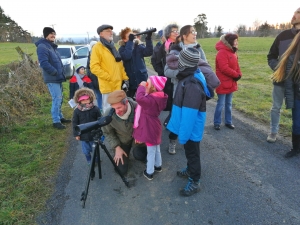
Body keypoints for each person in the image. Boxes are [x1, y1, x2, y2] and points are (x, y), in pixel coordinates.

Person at [164, 25, 219, 154]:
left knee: (192, 118)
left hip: (195, 92)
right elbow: (166, 71)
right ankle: (172, 141)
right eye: (192, 32)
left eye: (195, 32)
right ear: (184, 36)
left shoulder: (199, 50)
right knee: (177, 117)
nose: (195, 34)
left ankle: (190, 143)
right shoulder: (175, 50)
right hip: (179, 91)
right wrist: (183, 72)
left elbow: (206, 68)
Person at [166, 47, 207, 197]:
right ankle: (190, 169)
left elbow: (189, 114)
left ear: (184, 63)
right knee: (191, 153)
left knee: (193, 153)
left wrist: (183, 135)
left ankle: (195, 180)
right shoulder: (189, 76)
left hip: (191, 128)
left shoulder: (191, 84)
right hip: (189, 127)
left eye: (179, 60)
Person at [267, 7, 300, 143]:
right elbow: (271, 56)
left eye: (297, 13)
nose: (293, 16)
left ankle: (296, 138)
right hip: (280, 80)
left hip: (297, 82)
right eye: (294, 13)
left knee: (297, 112)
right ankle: (273, 132)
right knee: (276, 107)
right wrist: (278, 69)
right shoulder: (282, 35)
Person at [102, 90, 147, 175]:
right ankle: (123, 153)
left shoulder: (139, 108)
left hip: (137, 139)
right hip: (122, 141)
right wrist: (116, 147)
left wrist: (142, 136)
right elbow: (107, 132)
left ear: (126, 102)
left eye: (119, 108)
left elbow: (148, 125)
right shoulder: (108, 114)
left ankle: (142, 152)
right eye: (114, 108)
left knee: (140, 156)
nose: (117, 112)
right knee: (121, 171)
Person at [133, 76, 168, 180]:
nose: (145, 85)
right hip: (155, 126)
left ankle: (149, 172)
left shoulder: (150, 100)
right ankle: (158, 166)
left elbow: (139, 98)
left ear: (153, 87)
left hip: (149, 127)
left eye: (147, 84)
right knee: (156, 148)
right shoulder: (158, 98)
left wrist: (141, 87)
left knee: (151, 151)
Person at [35, 27, 71, 129]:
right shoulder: (42, 47)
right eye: (51, 34)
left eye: (54, 34)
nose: (53, 36)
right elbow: (44, 63)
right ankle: (56, 121)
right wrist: (54, 72)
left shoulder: (52, 47)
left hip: (57, 77)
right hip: (52, 77)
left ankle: (60, 117)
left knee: (60, 98)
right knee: (57, 98)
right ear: (46, 35)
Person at [272, 31, 300, 158]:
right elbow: (289, 82)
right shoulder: (292, 58)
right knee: (296, 123)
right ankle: (295, 148)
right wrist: (291, 101)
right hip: (296, 95)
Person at [90, 24, 129, 113]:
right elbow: (94, 67)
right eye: (108, 31)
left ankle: (119, 127)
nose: (111, 32)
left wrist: (125, 78)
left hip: (118, 85)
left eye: (111, 30)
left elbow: (119, 65)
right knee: (108, 111)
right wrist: (109, 77)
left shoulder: (112, 47)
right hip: (108, 85)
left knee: (120, 109)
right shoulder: (97, 47)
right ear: (101, 34)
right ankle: (108, 127)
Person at [213, 33, 242, 130]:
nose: (237, 43)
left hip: (231, 82)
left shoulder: (233, 52)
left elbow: (237, 66)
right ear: (230, 42)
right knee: (220, 104)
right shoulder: (222, 52)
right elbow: (223, 68)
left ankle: (228, 122)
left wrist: (239, 74)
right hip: (223, 82)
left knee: (229, 104)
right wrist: (235, 75)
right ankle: (217, 122)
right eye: (235, 41)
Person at [150, 24, 179, 112]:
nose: (176, 33)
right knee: (171, 99)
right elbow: (156, 61)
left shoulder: (179, 44)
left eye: (177, 31)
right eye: (174, 31)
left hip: (178, 77)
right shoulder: (162, 47)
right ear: (167, 34)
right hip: (168, 78)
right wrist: (162, 73)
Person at [118, 27, 153, 98]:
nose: (132, 37)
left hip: (141, 77)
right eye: (129, 36)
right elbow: (127, 56)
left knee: (144, 98)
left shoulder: (138, 46)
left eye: (132, 35)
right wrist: (130, 42)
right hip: (130, 80)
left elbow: (149, 52)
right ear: (124, 39)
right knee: (131, 99)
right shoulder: (121, 49)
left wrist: (148, 38)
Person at [72, 88, 102, 164]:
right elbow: (75, 123)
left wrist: (100, 131)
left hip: (94, 134)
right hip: (83, 135)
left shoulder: (95, 109)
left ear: (91, 98)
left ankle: (96, 160)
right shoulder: (77, 111)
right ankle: (89, 161)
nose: (85, 101)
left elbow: (99, 120)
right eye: (82, 100)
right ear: (79, 100)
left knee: (95, 149)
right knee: (86, 150)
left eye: (86, 99)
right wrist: (76, 134)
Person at [86, 40, 102, 110]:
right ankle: (100, 109)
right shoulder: (91, 55)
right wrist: (89, 76)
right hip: (95, 78)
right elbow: (88, 67)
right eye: (93, 46)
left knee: (102, 95)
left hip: (100, 77)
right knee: (99, 95)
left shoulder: (100, 53)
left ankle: (103, 109)